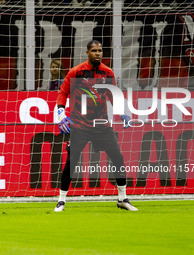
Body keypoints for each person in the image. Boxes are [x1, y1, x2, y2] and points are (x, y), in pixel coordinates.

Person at [54, 40, 138, 212]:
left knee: (118, 158)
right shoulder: (76, 72)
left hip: (101, 124)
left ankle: (122, 198)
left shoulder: (107, 72)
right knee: (72, 162)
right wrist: (61, 113)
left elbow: (112, 94)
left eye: (100, 50)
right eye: (94, 51)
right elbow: (63, 92)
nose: (98, 53)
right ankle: (61, 201)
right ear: (87, 53)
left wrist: (121, 112)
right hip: (79, 125)